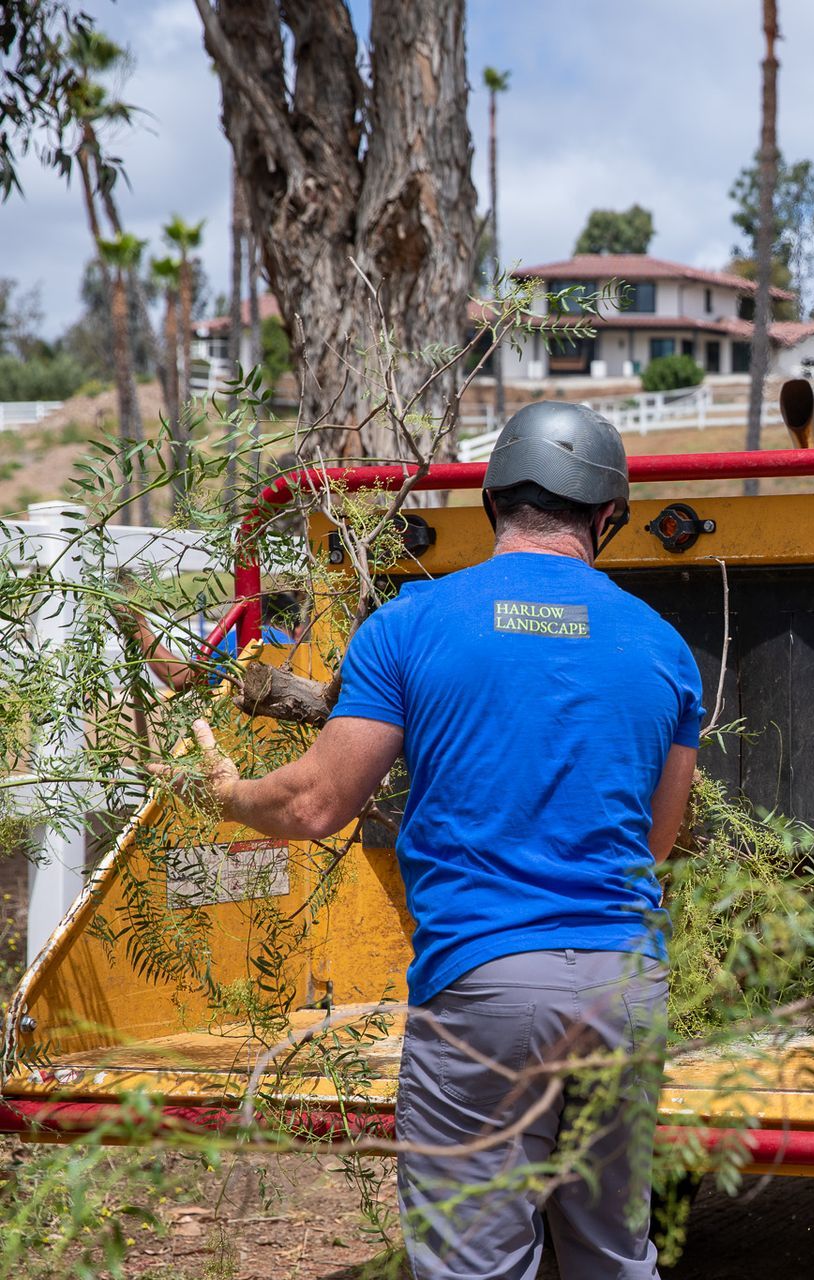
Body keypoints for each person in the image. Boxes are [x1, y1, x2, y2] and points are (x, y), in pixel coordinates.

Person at [173, 401, 703, 1279]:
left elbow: (313, 804)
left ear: (495, 500)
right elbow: (658, 840)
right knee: (615, 1253)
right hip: (623, 983)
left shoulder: (414, 624)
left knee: (475, 1262)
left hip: (487, 988)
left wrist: (230, 795)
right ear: (607, 517)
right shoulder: (663, 647)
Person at [119, 588, 301, 691]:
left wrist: (139, 627)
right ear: (297, 628)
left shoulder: (247, 639)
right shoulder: (300, 654)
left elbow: (182, 678)